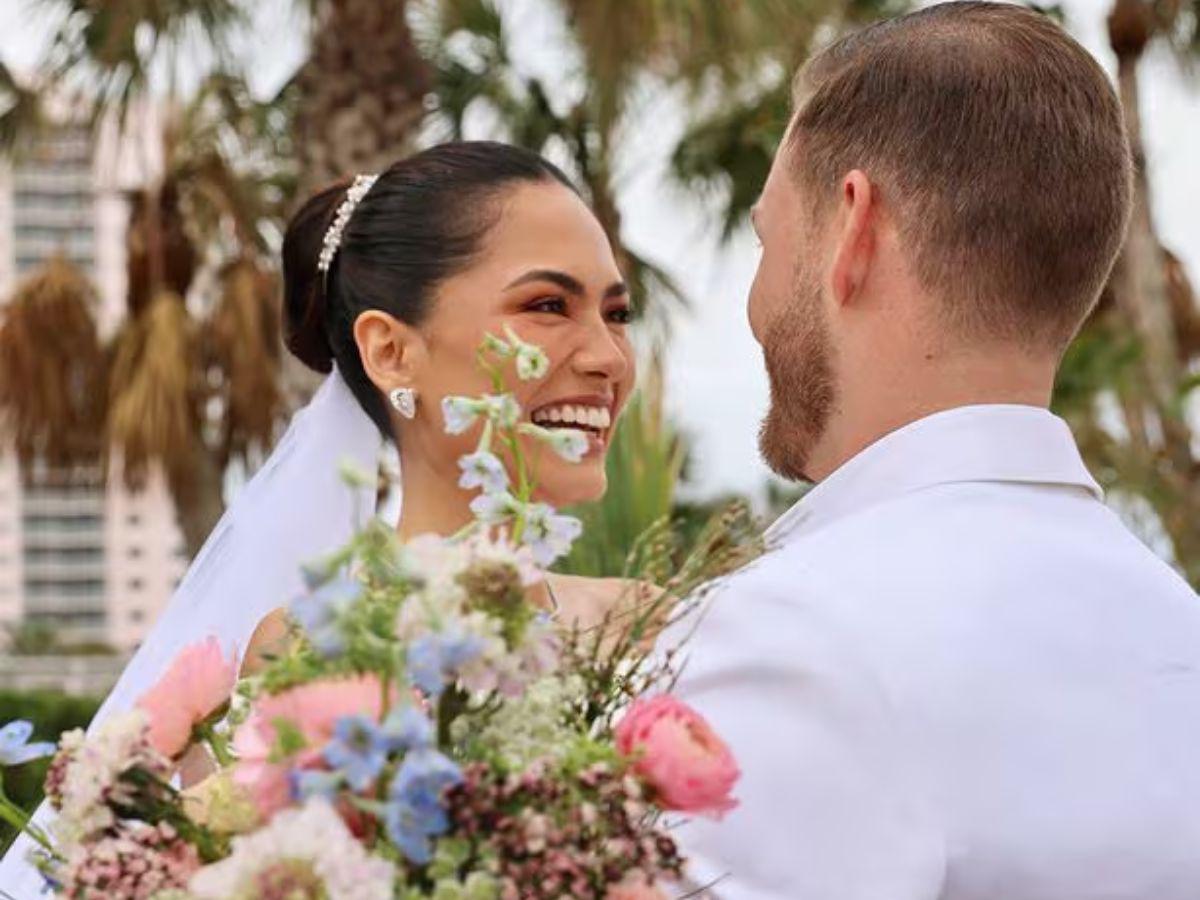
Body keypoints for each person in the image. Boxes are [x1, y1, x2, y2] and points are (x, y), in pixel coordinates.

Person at [0, 141, 640, 896]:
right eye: (546, 306)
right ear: (390, 350)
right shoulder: (304, 656)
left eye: (618, 312)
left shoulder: (654, 628)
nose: (608, 357)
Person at [664, 3, 1200, 898]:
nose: (755, 302)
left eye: (767, 240)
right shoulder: (1179, 632)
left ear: (853, 230)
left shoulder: (776, 635)